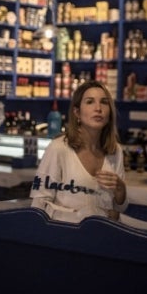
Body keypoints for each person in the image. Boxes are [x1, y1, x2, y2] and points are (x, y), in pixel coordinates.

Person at [30, 80, 128, 223]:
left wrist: (121, 190)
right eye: (90, 102)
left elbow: (117, 209)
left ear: (110, 113)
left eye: (104, 102)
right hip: (63, 237)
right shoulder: (59, 148)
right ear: (77, 112)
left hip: (100, 238)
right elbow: (39, 203)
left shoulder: (115, 151)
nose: (98, 108)